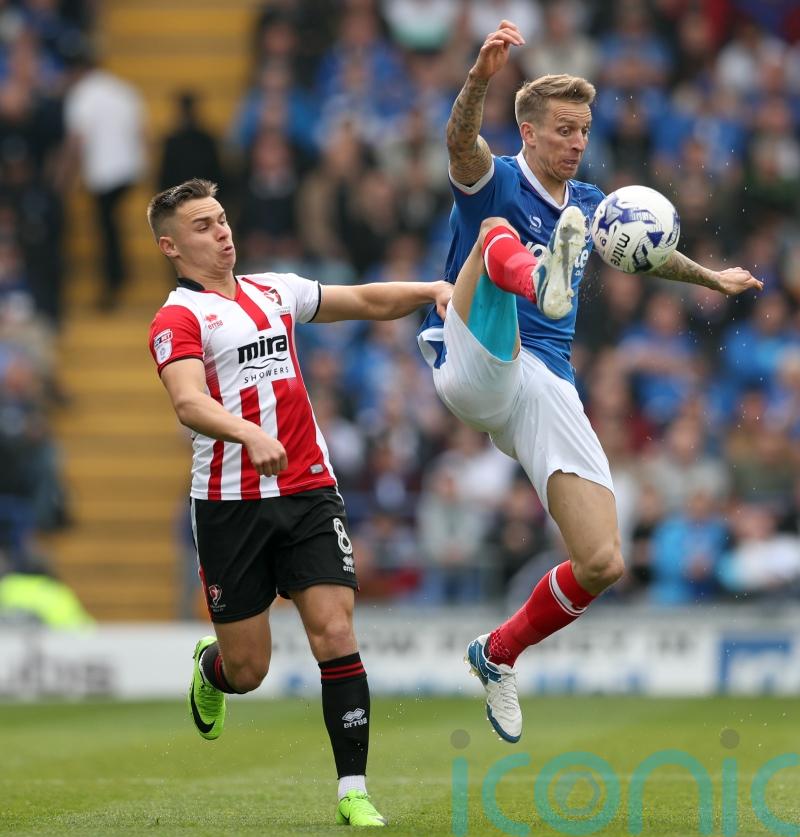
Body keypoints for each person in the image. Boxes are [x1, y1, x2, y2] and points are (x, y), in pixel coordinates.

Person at [417, 20, 763, 743]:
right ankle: (534, 277)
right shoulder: (498, 177)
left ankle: (498, 651)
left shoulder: (592, 203)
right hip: (475, 354)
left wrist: (709, 276)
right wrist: (480, 78)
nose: (577, 141)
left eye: (584, 129)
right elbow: (458, 144)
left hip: (544, 382)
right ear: (530, 130)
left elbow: (648, 253)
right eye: (565, 129)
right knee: (493, 234)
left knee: (602, 559)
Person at [146, 178, 451, 827]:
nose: (221, 230)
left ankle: (353, 788)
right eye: (203, 226)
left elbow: (362, 298)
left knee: (335, 629)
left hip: (309, 487)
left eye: (222, 218)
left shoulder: (274, 289)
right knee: (249, 668)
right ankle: (213, 669)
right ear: (172, 246)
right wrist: (248, 430)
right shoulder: (178, 317)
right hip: (231, 503)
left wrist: (429, 291)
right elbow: (188, 400)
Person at [63, 45, 146, 311]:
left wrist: (66, 178)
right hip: (129, 170)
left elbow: (78, 140)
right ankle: (120, 273)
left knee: (106, 229)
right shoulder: (123, 89)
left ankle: (114, 280)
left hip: (103, 173)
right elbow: (142, 131)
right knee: (112, 223)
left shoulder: (81, 94)